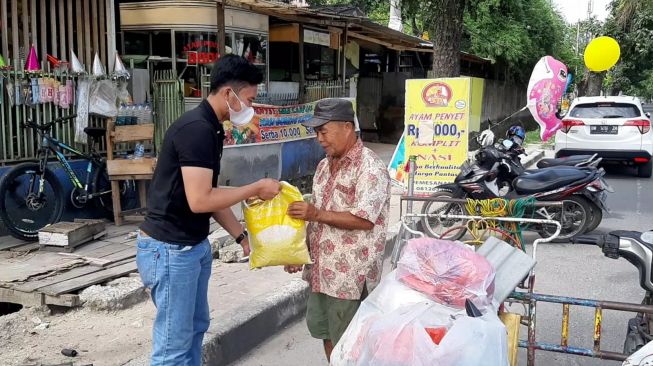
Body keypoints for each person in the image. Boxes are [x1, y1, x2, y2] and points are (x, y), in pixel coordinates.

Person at [136, 55, 281, 365]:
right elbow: (200, 200)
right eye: (249, 99)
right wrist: (255, 188)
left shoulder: (212, 128)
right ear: (229, 94)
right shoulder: (197, 130)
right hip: (170, 248)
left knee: (195, 330)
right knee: (172, 348)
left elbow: (212, 195)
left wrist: (242, 236)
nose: (251, 108)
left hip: (190, 246)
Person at [284, 98, 391, 362]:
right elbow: (316, 219)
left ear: (346, 127)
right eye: (316, 132)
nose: (319, 138)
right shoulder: (323, 166)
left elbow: (365, 220)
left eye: (323, 131)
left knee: (351, 342)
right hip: (322, 272)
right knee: (327, 335)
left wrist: (316, 213)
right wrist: (300, 252)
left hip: (349, 278)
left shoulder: (370, 168)